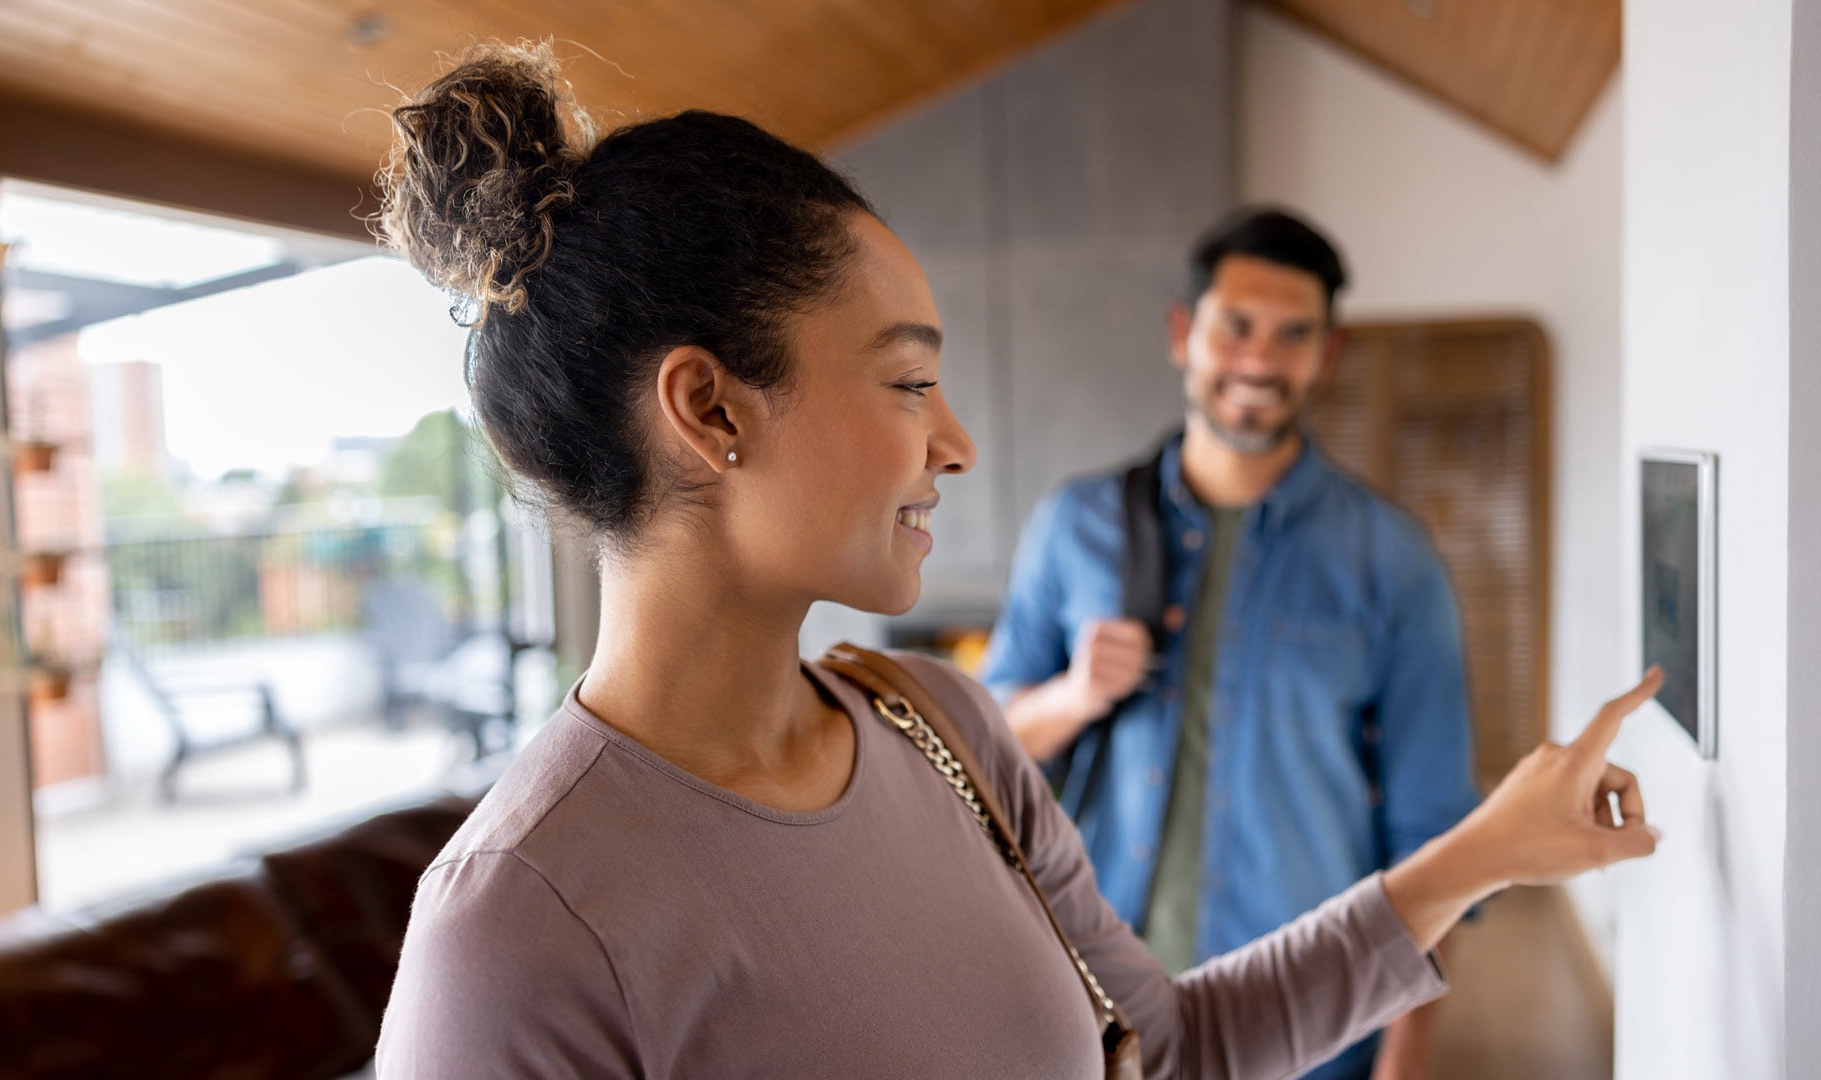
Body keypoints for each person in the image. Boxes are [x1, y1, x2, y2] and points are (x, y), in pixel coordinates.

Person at [371, 42, 1662, 1079]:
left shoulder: (943, 727)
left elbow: (1180, 1045)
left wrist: (1488, 849)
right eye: (909, 378)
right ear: (711, 411)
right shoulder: (513, 933)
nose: (958, 440)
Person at [982, 208, 1477, 1080]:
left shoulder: (1393, 561)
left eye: (1293, 336)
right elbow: (982, 757)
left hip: (1314, 1034)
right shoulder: (1074, 526)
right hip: (1095, 1016)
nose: (1257, 360)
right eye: (1235, 327)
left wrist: (1406, 1064)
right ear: (1185, 333)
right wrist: (1075, 695)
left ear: (1327, 356)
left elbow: (1434, 839)